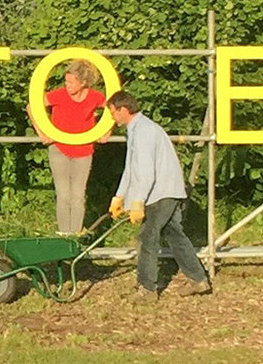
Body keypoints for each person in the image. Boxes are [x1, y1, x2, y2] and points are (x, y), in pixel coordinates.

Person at [107, 90, 212, 298]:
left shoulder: (145, 131)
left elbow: (146, 170)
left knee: (148, 237)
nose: (112, 117)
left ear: (124, 109)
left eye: (113, 112)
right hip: (164, 190)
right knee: (174, 235)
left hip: (160, 192)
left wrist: (138, 201)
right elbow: (131, 168)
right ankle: (199, 280)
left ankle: (147, 288)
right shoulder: (136, 130)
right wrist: (119, 197)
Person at [42, 60, 105, 234]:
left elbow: (113, 109)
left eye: (71, 82)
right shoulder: (59, 95)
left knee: (78, 196)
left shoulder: (94, 96)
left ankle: (75, 234)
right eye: (66, 81)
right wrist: (42, 131)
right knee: (64, 196)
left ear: (83, 83)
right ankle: (64, 235)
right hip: (60, 149)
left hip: (84, 150)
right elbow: (33, 106)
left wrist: (106, 130)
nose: (67, 85)